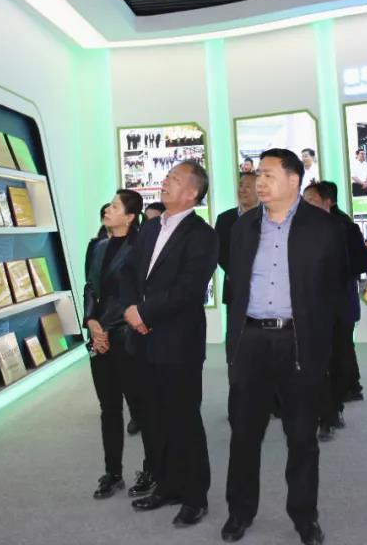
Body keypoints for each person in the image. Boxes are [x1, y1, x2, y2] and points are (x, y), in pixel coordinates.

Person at [222, 149, 347, 545]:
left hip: (298, 341)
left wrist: (319, 343)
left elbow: (334, 288)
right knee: (244, 434)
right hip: (251, 340)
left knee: (301, 437)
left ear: (294, 180)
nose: (259, 182)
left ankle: (305, 516)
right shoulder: (243, 227)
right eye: (258, 174)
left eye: (269, 175)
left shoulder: (322, 227)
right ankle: (240, 512)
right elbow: (235, 283)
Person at [122, 162, 218, 527]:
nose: (165, 182)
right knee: (154, 418)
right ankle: (167, 485)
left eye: (174, 179)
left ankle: (195, 497)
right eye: (167, 178)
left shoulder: (202, 235)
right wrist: (131, 309)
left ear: (191, 193)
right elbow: (129, 272)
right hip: (142, 340)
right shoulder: (149, 227)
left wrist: (144, 313)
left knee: (183, 419)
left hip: (178, 342)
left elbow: (189, 289)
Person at [84, 190, 150, 500]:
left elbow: (134, 296)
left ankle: (152, 469)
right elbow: (90, 288)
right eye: (108, 205)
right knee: (108, 408)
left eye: (114, 206)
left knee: (140, 406)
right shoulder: (97, 247)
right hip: (99, 334)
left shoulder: (141, 248)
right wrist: (91, 322)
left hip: (127, 335)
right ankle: (113, 473)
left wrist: (107, 329)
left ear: (130, 216)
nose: (107, 210)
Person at [303, 181, 367, 441]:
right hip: (308, 305)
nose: (305, 205)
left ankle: (335, 405)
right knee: (313, 361)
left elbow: (362, 261)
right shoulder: (297, 228)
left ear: (327, 201)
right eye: (304, 200)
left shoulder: (344, 227)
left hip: (338, 302)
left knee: (340, 358)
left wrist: (336, 271)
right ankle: (323, 414)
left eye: (311, 200)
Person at [215, 173, 259, 344]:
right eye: (241, 185)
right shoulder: (225, 218)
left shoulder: (269, 217)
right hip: (234, 286)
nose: (243, 189)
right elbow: (220, 251)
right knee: (236, 337)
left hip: (264, 287)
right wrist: (238, 272)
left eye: (248, 186)